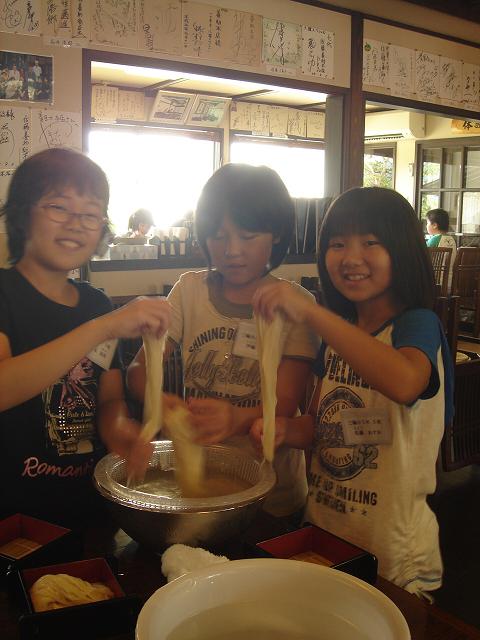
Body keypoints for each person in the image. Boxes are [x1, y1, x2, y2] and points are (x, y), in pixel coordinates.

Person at [251, 186, 454, 598]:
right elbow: (321, 426)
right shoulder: (338, 336)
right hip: (324, 536)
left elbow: (405, 382)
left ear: (402, 250)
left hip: (395, 557)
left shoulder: (416, 325)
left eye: (371, 242)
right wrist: (286, 431)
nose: (351, 257)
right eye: (338, 244)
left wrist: (312, 313)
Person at [128, 163, 318, 518]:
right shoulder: (188, 291)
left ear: (276, 234)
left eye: (247, 236)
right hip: (199, 486)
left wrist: (235, 419)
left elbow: (286, 401)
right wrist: (160, 401)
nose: (231, 250)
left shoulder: (295, 304)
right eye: (218, 236)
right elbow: (138, 369)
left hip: (272, 496)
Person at [0, 148, 172, 527]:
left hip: (90, 504)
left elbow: (108, 396)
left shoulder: (95, 303)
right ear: (23, 214)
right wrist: (104, 326)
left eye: (91, 214)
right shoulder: (5, 294)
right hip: (15, 515)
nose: (76, 223)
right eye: (59, 207)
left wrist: (117, 428)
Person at [426, 208, 457, 291]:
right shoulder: (452, 240)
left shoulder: (434, 240)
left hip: (434, 284)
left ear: (434, 225)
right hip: (448, 284)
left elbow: (423, 258)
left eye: (427, 223)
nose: (426, 226)